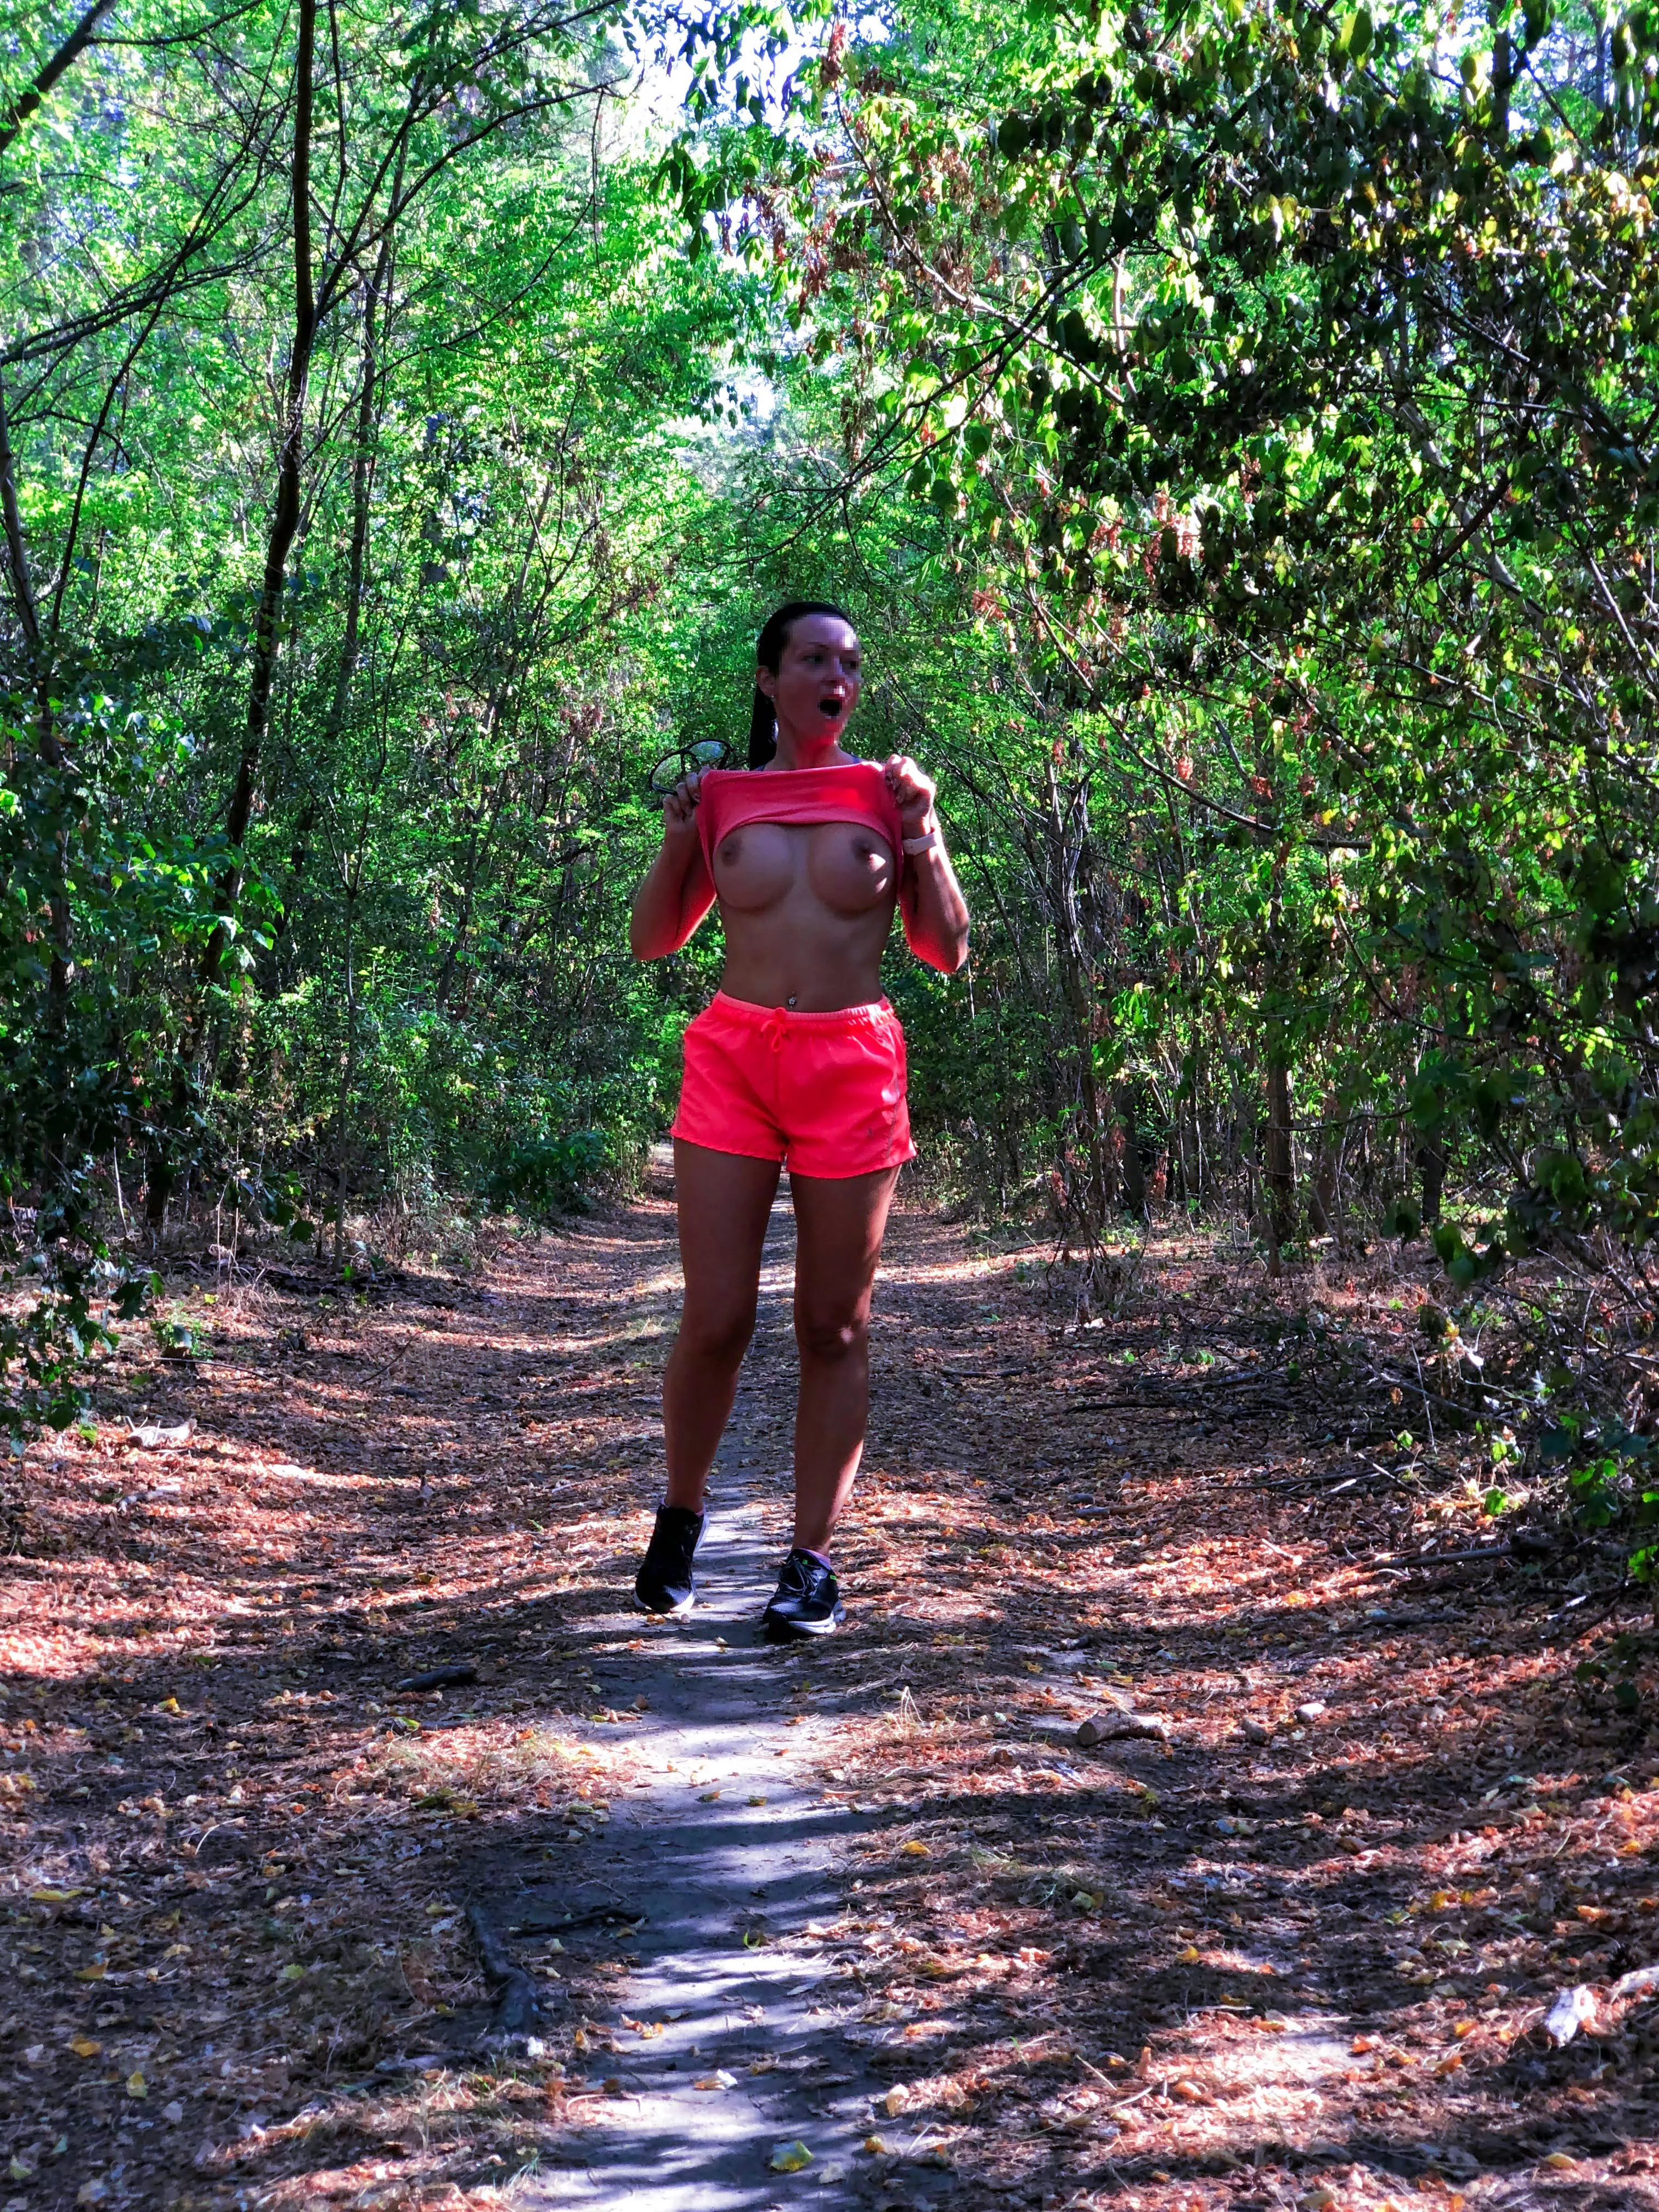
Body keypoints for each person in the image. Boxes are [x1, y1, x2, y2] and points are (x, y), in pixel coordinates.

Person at [628, 602, 971, 1638]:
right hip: (734, 1056)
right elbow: (653, 941)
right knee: (718, 1315)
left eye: (853, 663)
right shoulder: (722, 795)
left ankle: (812, 1563)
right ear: (771, 678)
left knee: (835, 1324)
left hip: (850, 1060)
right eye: (817, 658)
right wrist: (682, 833)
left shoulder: (887, 792)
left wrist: (928, 837)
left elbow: (946, 949)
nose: (839, 676)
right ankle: (681, 1520)